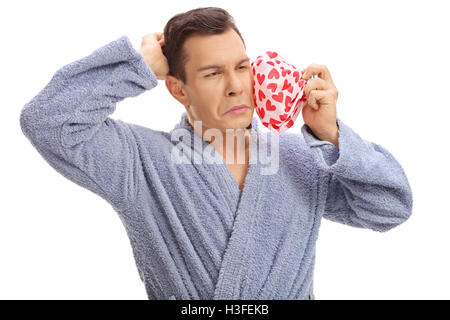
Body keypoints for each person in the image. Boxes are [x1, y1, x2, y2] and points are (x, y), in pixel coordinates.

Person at [19, 7, 413, 300]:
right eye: (212, 73)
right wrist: (138, 65)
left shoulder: (302, 158)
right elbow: (47, 120)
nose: (236, 86)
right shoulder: (142, 163)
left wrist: (332, 134)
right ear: (177, 89)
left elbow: (390, 206)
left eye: (241, 67)